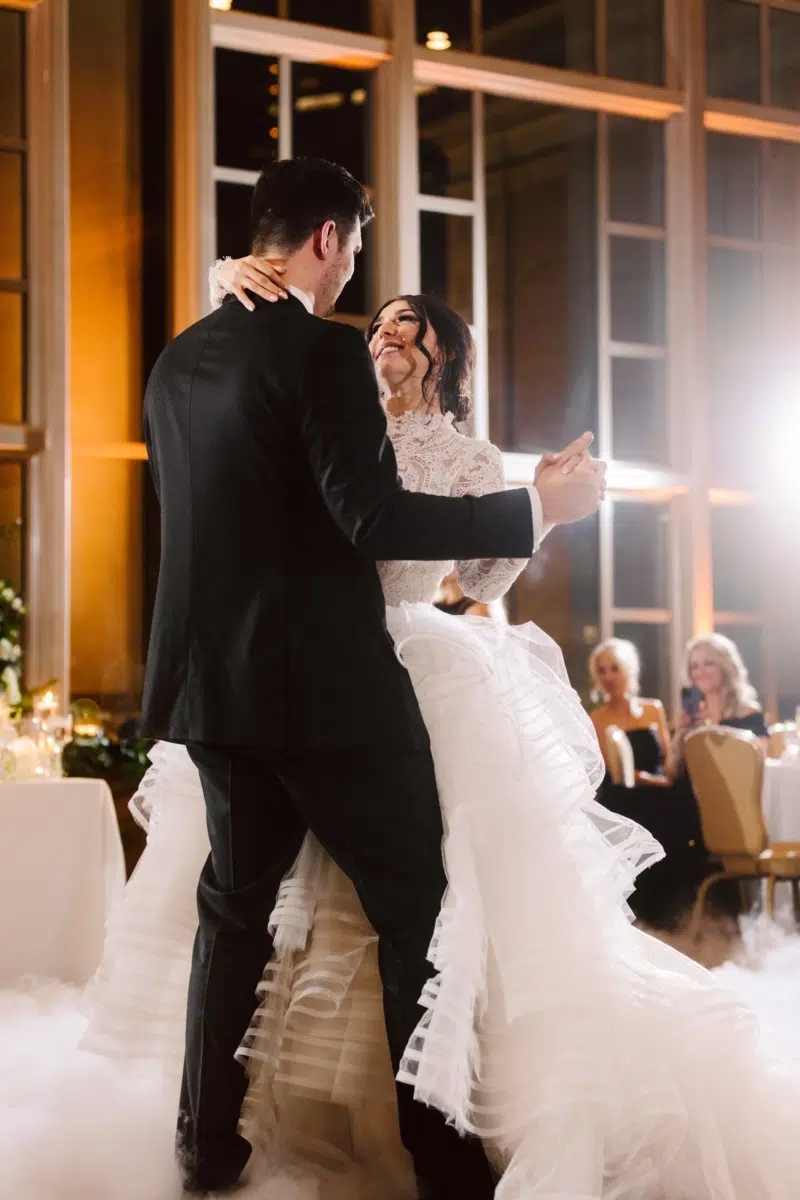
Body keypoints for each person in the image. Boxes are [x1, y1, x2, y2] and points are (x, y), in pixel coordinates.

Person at [81, 246, 800, 1200]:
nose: (385, 336)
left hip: (406, 667)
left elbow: (484, 580)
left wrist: (541, 510)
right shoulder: (328, 403)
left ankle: (421, 1124)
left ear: (445, 356)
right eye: (379, 323)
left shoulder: (465, 456)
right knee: (276, 904)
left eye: (408, 329)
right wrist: (230, 276)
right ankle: (258, 1122)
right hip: (295, 668)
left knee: (417, 901)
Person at [133, 156, 605, 1200]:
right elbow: (374, 519)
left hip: (210, 683)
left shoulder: (176, 360)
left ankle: (205, 1151)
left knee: (233, 912)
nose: (359, 285)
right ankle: (439, 1166)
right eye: (353, 251)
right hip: (323, 686)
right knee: (415, 907)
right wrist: (539, 507)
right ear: (330, 240)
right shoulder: (320, 355)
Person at [673, 633, 769, 772]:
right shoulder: (691, 716)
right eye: (694, 666)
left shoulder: (748, 713)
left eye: (709, 663)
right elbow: (672, 772)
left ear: (725, 667)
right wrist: (680, 731)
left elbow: (759, 766)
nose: (700, 672)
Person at [589, 637, 672, 785]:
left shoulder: (654, 708)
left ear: (628, 669)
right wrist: (650, 780)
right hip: (622, 794)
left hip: (661, 790)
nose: (608, 677)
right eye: (601, 671)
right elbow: (613, 769)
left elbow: (668, 758)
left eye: (615, 668)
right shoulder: (596, 718)